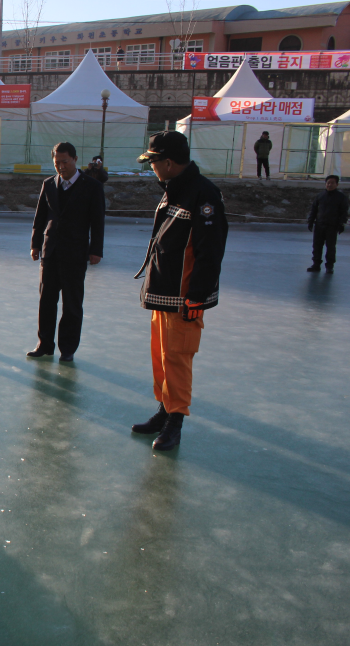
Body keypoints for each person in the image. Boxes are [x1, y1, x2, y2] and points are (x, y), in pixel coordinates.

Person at [132, 131, 228, 451]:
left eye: (154, 162)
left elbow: (209, 252)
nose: (152, 168)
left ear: (170, 163)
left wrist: (196, 299)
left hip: (184, 296)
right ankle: (164, 409)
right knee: (161, 357)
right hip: (164, 291)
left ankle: (176, 420)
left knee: (178, 357)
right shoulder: (175, 188)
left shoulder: (203, 195)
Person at [27, 141, 105, 362]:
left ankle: (68, 348)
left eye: (64, 162)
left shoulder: (92, 186)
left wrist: (96, 250)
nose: (60, 166)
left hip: (76, 252)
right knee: (46, 301)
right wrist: (35, 244)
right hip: (50, 251)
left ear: (75, 160)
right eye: (56, 162)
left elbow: (97, 221)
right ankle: (44, 344)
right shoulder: (49, 184)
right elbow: (40, 217)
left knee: (72, 303)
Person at [307, 174, 349, 274]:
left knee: (330, 247)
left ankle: (329, 266)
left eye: (332, 183)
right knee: (317, 246)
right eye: (328, 183)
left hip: (332, 226)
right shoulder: (320, 196)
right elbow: (314, 210)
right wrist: (311, 221)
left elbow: (344, 212)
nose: (329, 185)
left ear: (337, 184)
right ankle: (316, 264)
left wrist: (342, 224)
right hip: (320, 225)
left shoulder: (341, 197)